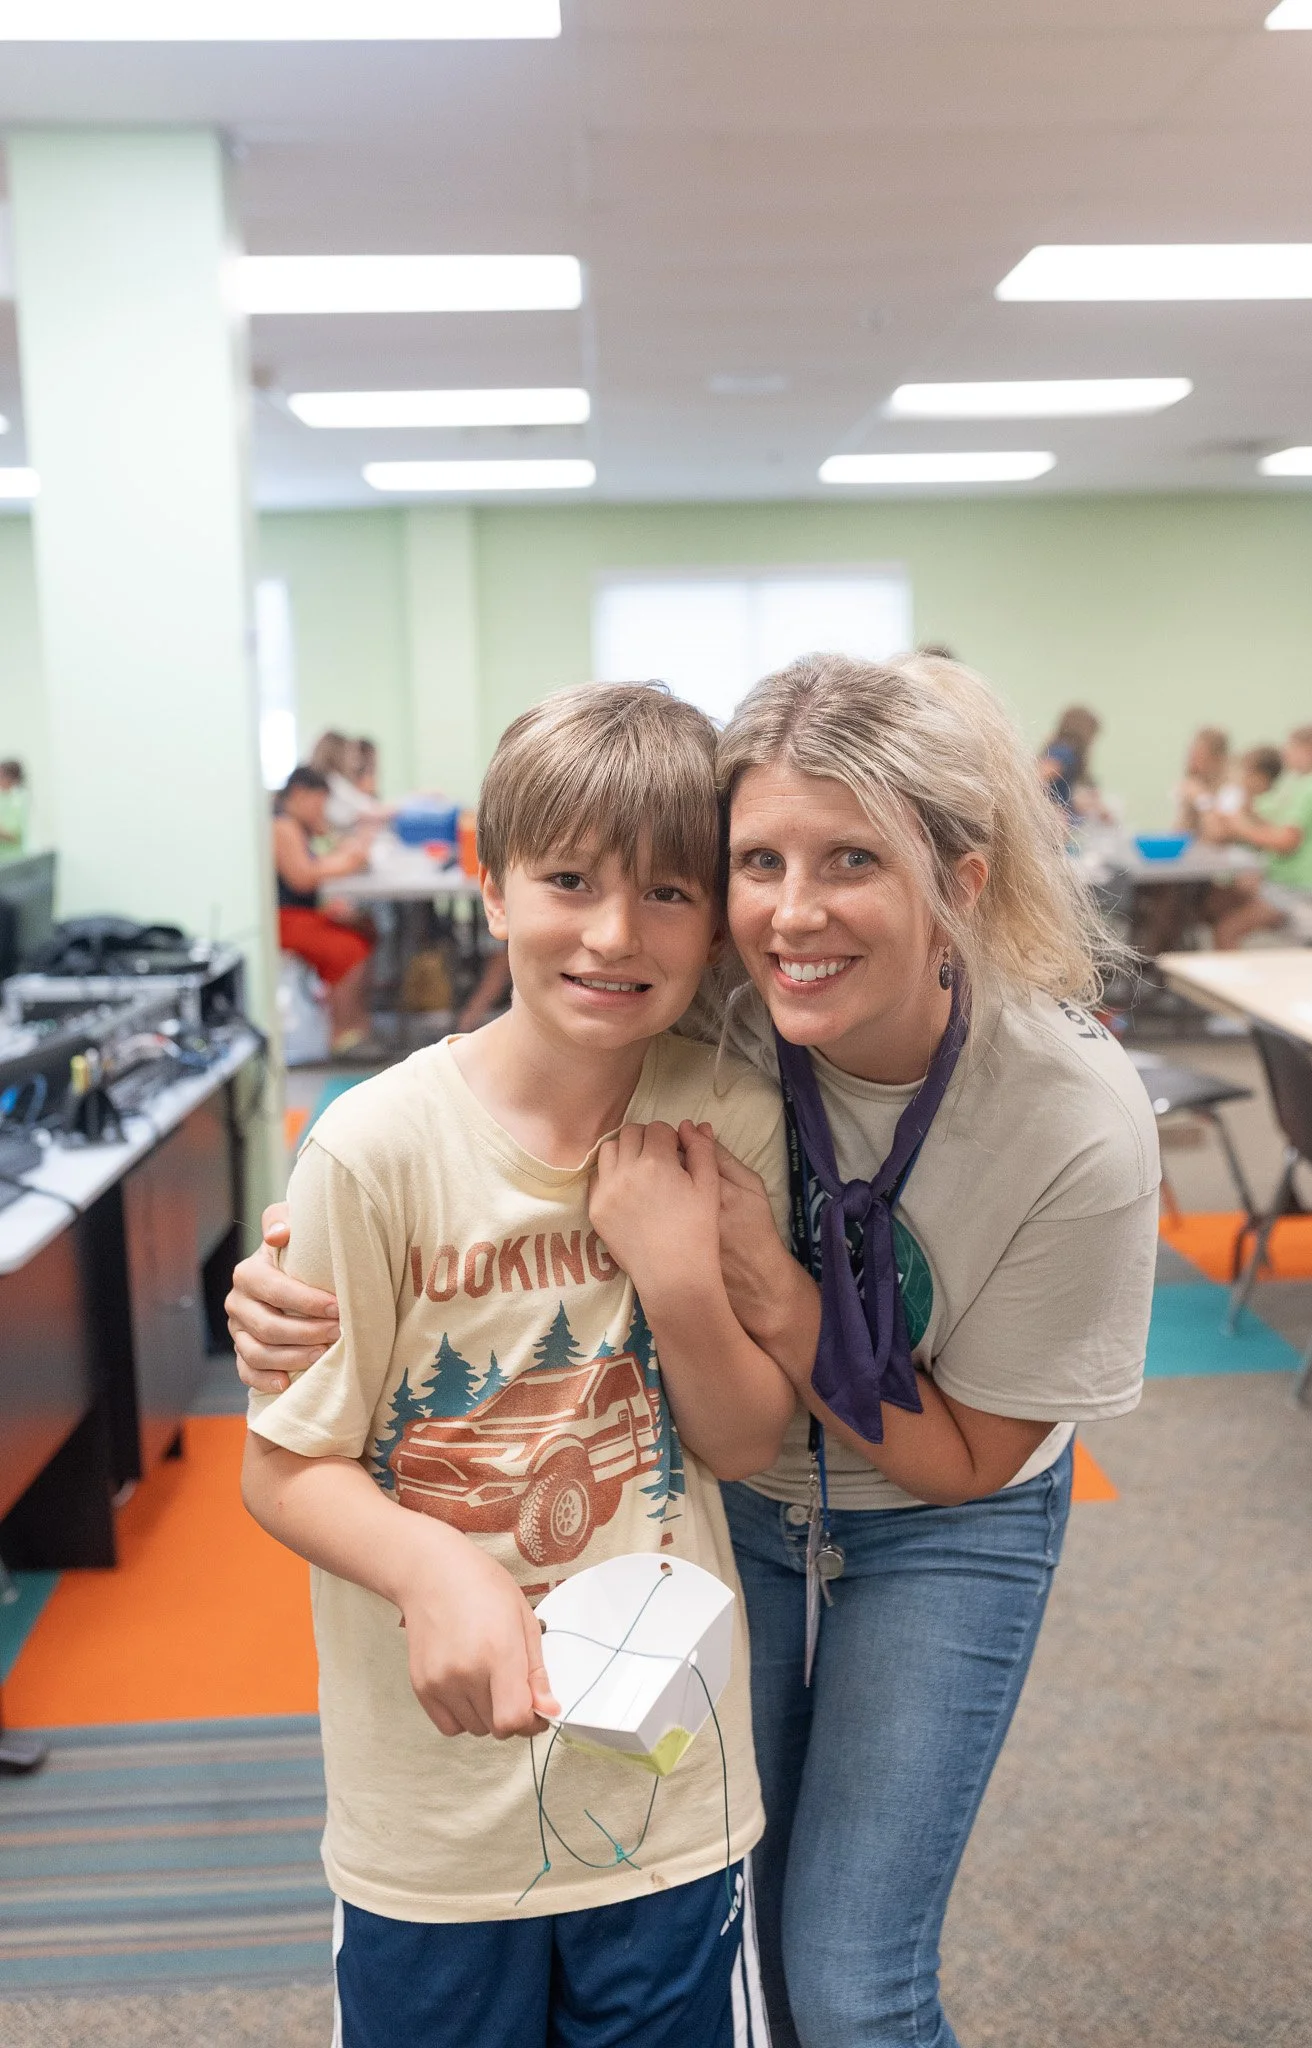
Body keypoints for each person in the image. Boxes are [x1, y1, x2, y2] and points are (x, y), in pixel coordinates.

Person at [231, 651, 1159, 2048]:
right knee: (734, 1944)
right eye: (754, 866)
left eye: (851, 862)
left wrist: (733, 1287)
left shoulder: (1057, 1116)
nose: (791, 916)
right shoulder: (699, 999)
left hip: (930, 1504)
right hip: (719, 1519)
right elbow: (490, 1089)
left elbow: (957, 1455)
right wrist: (296, 1260)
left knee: (841, 1984)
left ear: (959, 884)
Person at [245, 684, 789, 2046]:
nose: (614, 934)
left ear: (714, 920)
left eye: (669, 893)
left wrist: (675, 1279)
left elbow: (743, 1443)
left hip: (667, 1790)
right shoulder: (373, 1148)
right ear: (489, 885)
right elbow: (284, 1467)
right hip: (431, 1818)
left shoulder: (724, 1116)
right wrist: (436, 1565)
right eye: (568, 882)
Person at [274, 765, 377, 1057]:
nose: (322, 810)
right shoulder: (282, 826)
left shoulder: (298, 825)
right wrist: (350, 860)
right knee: (347, 949)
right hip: (283, 920)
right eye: (318, 802)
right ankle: (342, 1035)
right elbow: (302, 878)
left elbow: (322, 855)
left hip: (300, 914)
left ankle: (357, 1023)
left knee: (364, 929)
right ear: (298, 794)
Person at [1204, 724, 1312, 949]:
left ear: (1311, 749)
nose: (1286, 754)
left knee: (1226, 931)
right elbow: (1276, 826)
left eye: (1292, 748)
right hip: (1282, 884)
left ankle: (1232, 983)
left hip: (1297, 891)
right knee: (1214, 904)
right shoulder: (1304, 785)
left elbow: (1286, 841)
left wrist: (1240, 828)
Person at [1038, 705, 1102, 824]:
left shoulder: (1062, 751)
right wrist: (1051, 811)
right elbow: (1036, 779)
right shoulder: (1064, 752)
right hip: (1052, 822)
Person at [1173, 726, 1235, 837]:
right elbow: (1178, 833)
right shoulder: (1192, 785)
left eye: (1199, 756)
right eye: (1191, 755)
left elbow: (1218, 835)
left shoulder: (1232, 790)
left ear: (1217, 759)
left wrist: (1200, 798)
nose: (1192, 763)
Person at [0, 758, 28, 859]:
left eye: (1, 776)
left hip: (13, 859)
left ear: (12, 778)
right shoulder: (2, 797)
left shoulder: (20, 800)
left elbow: (14, 836)